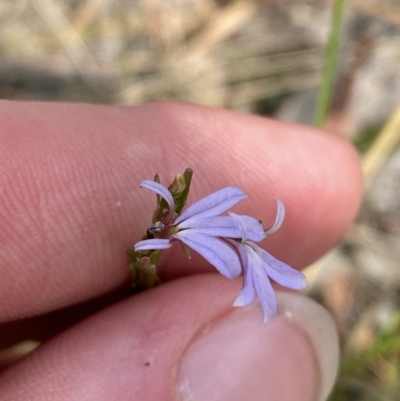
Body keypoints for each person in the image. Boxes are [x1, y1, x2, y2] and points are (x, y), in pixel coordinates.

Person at [0, 101, 363, 400]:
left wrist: (164, 238)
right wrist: (154, 247)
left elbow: (216, 225)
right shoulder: (175, 234)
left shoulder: (207, 235)